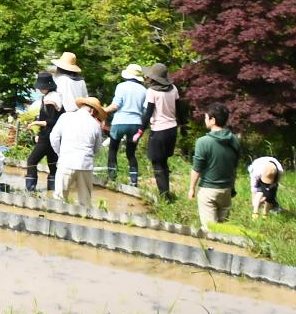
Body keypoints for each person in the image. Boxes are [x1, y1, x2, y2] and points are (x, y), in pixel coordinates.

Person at [188, 105, 241, 227]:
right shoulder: (234, 140)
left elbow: (197, 168)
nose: (205, 119)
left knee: (210, 230)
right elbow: (234, 167)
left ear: (213, 120)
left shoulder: (203, 142)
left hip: (208, 190)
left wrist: (192, 188)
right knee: (223, 230)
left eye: (206, 117)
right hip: (226, 190)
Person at [50, 96, 106, 208]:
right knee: (85, 202)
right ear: (93, 111)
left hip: (66, 162)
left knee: (59, 199)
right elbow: (97, 148)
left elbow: (54, 137)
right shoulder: (95, 125)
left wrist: (60, 153)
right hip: (85, 165)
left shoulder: (65, 117)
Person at [141, 63, 182, 200]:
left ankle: (164, 197)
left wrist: (140, 130)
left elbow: (148, 114)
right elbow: (179, 109)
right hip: (172, 129)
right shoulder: (173, 89)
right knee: (164, 162)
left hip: (159, 130)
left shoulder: (152, 92)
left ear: (154, 78)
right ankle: (167, 193)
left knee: (157, 163)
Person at [102, 64, 148, 187]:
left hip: (120, 122)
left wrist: (103, 111)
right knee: (131, 153)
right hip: (136, 123)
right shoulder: (144, 90)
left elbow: (115, 105)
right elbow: (145, 111)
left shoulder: (121, 86)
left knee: (113, 149)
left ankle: (112, 177)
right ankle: (133, 180)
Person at [23, 72, 62, 192]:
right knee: (52, 163)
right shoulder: (56, 96)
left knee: (32, 160)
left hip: (48, 136)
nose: (39, 89)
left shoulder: (51, 100)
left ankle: (30, 189)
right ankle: (53, 191)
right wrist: (38, 133)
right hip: (54, 135)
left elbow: (51, 120)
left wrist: (35, 124)